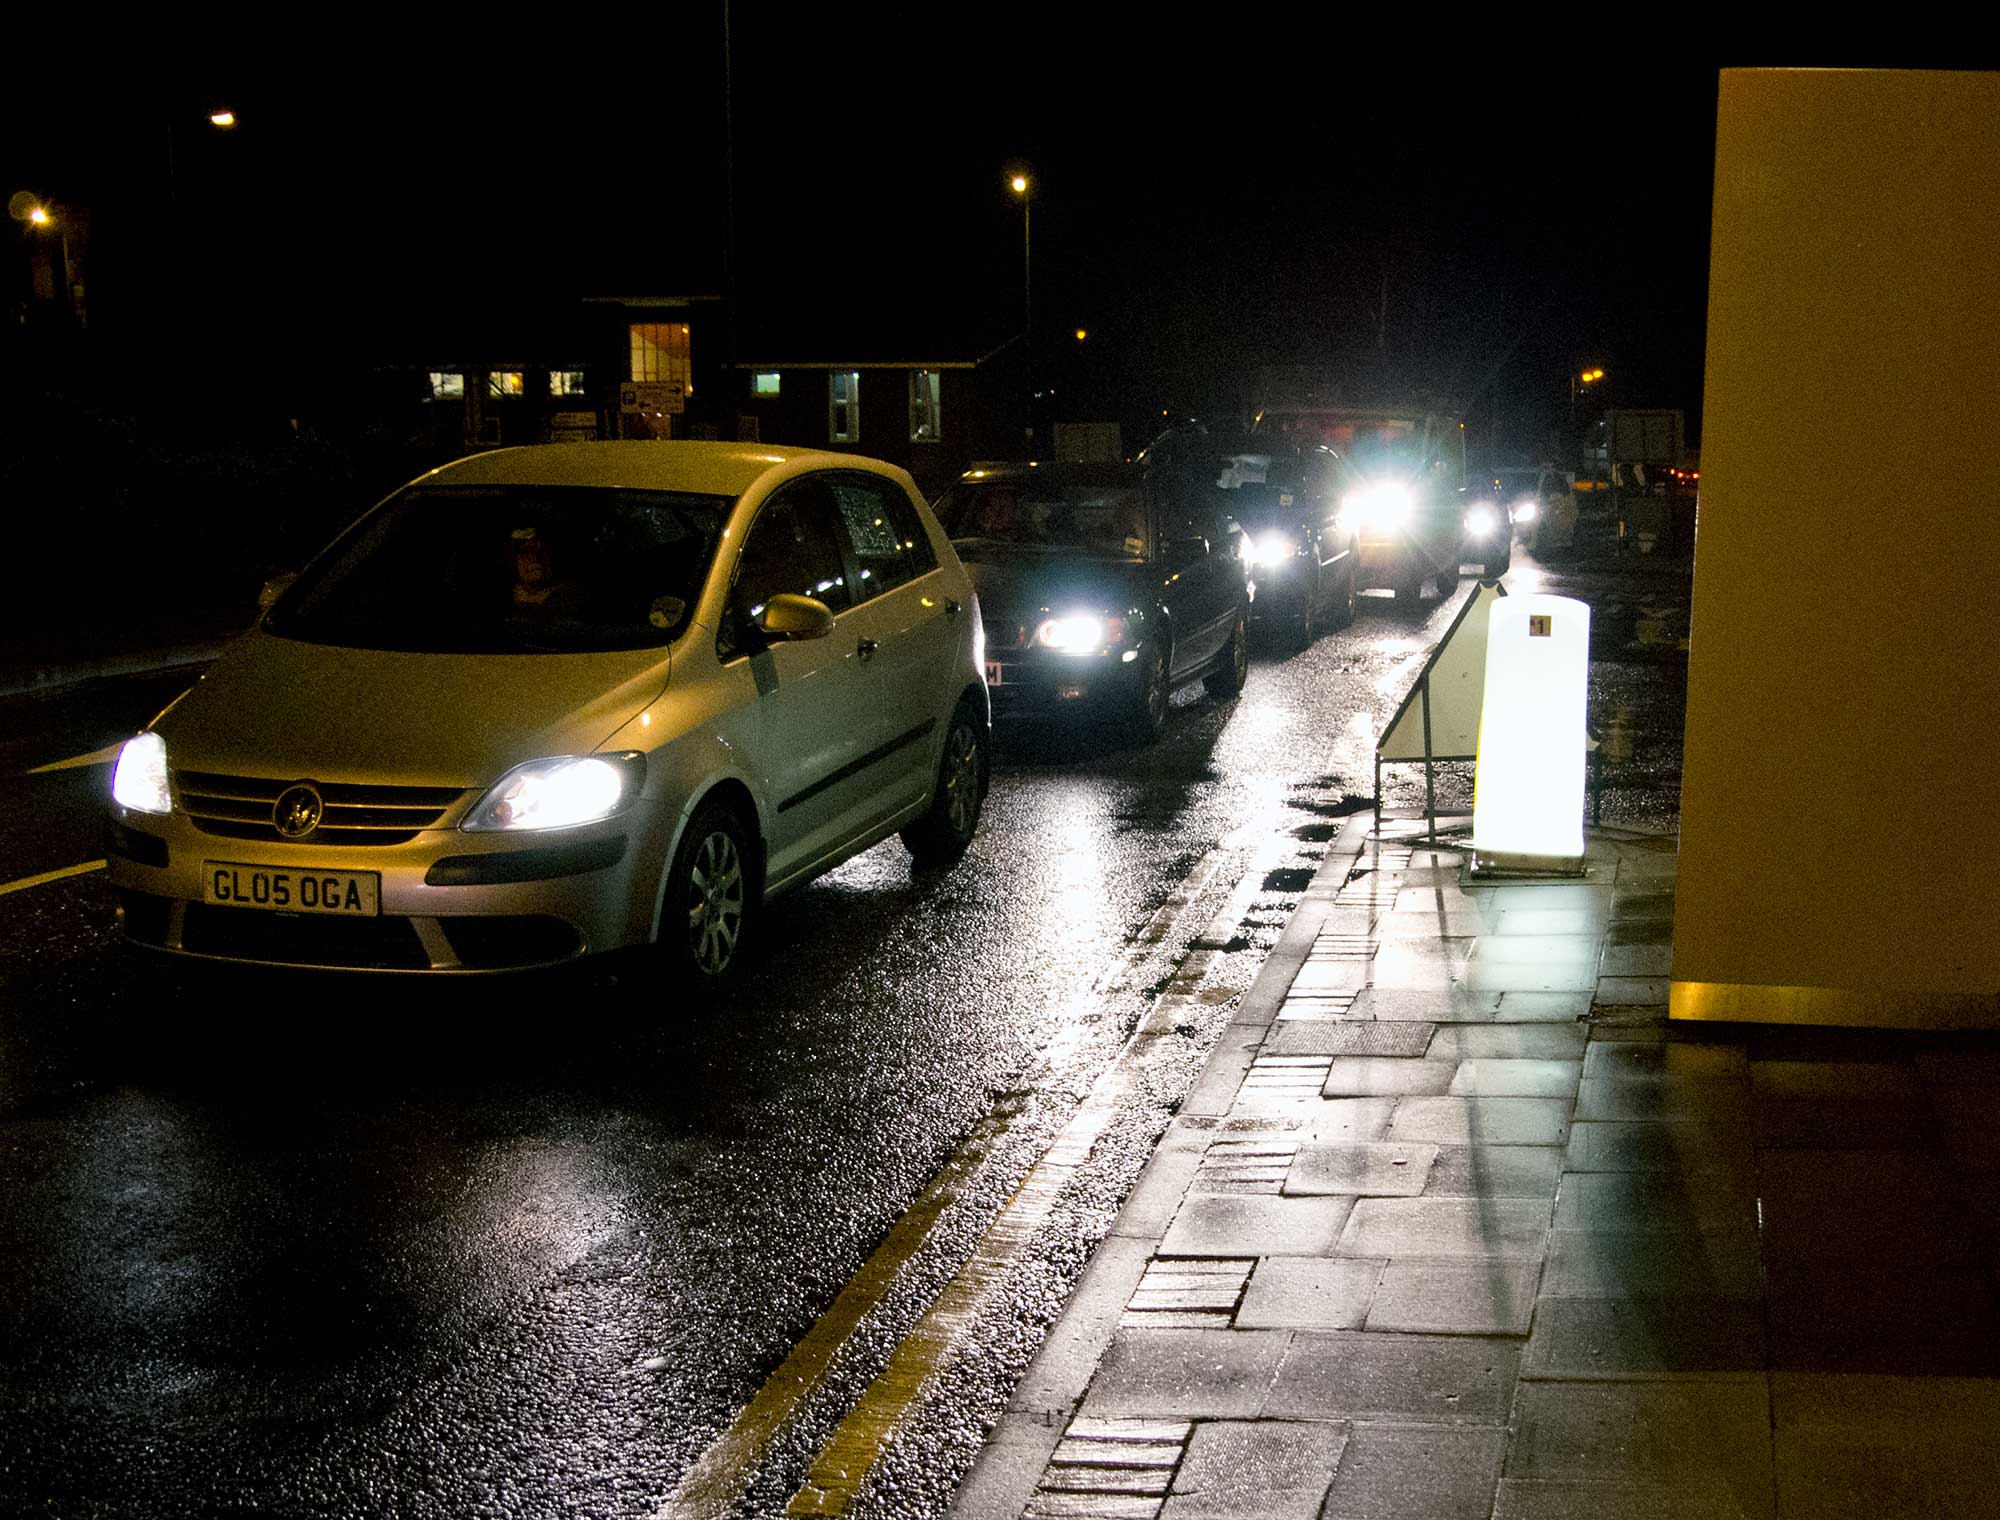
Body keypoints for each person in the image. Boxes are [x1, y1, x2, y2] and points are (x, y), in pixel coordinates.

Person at [508, 525, 582, 611]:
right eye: (527, 552)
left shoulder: (569, 595)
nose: (535, 558)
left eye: (542, 552)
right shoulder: (510, 598)